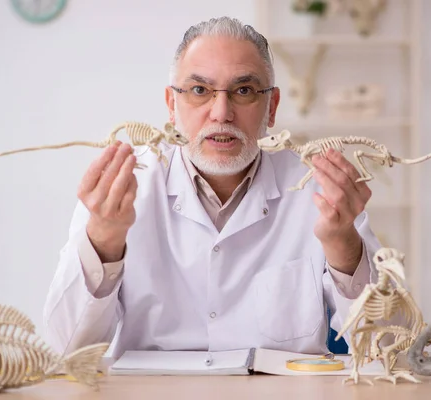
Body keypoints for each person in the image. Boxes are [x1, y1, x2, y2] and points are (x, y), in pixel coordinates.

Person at [42, 16, 383, 359]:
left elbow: (387, 347)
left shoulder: (317, 190)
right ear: (172, 105)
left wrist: (344, 246)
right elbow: (67, 350)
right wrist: (102, 240)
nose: (221, 113)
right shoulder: (123, 188)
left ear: (272, 106)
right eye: (200, 90)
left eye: (244, 90)